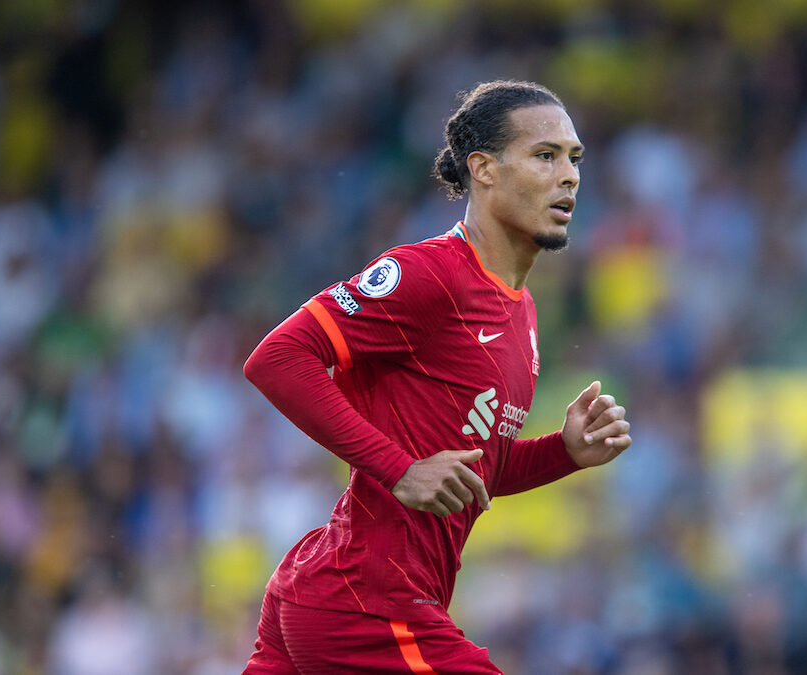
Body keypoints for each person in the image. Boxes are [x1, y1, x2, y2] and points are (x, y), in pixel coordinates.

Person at [241, 80, 632, 674]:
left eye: (575, 158)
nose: (570, 175)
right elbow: (276, 358)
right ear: (484, 169)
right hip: (367, 601)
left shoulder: (520, 310)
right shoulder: (428, 275)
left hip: (334, 591)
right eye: (545, 155)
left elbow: (472, 473)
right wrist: (398, 470)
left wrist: (565, 452)